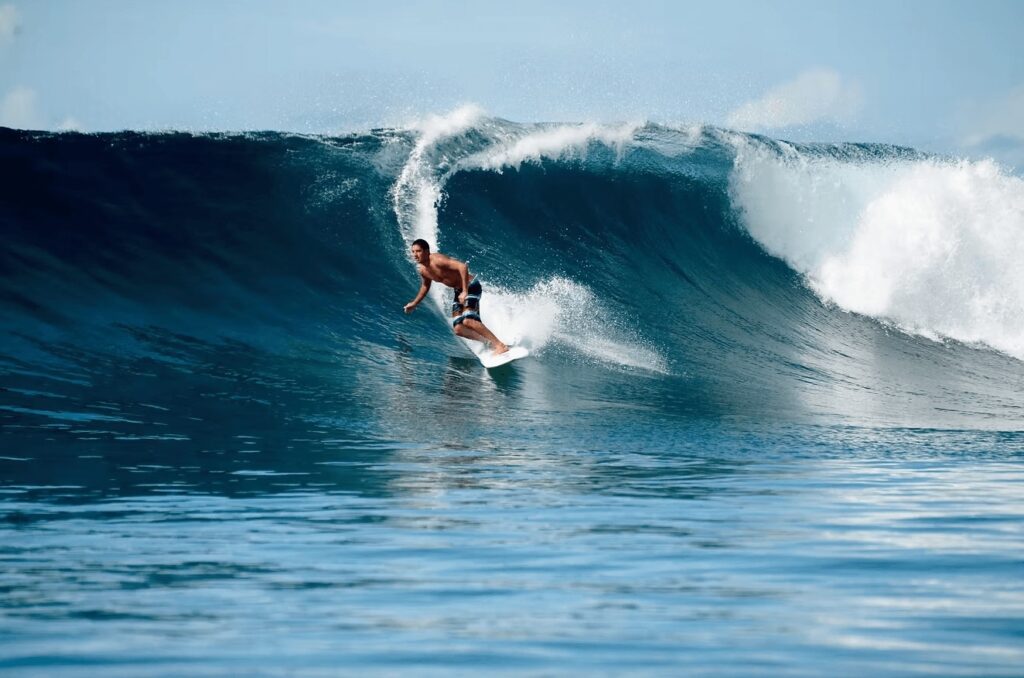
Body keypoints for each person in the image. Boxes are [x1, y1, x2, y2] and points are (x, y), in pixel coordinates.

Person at [404, 239, 509, 355]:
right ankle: (488, 343)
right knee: (459, 329)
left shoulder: (438, 260)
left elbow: (462, 267)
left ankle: (500, 345)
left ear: (427, 251)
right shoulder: (423, 270)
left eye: (418, 251)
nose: (415, 254)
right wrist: (414, 303)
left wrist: (464, 291)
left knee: (469, 321)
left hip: (470, 285)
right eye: (413, 251)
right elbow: (425, 286)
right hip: (459, 291)